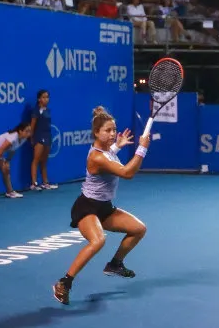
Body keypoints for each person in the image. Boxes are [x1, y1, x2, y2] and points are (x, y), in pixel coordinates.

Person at [53, 106, 152, 306]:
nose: (113, 134)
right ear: (96, 132)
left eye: (114, 130)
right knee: (98, 241)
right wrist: (142, 148)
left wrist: (118, 146)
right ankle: (64, 283)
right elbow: (127, 173)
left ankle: (115, 264)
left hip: (104, 207)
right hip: (87, 207)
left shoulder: (106, 151)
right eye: (107, 130)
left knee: (139, 229)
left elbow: (109, 156)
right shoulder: (97, 156)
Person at [0, 122, 33, 205]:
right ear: (20, 131)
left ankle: (10, 192)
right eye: (26, 131)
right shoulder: (12, 137)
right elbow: (1, 150)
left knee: (6, 169)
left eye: (30, 131)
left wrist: (7, 161)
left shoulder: (23, 139)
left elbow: (13, 149)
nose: (28, 134)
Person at [30, 90, 57, 190]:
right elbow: (32, 126)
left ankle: (45, 183)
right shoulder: (36, 110)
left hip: (48, 136)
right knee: (36, 160)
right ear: (39, 99)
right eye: (44, 97)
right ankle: (34, 184)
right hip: (39, 136)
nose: (46, 99)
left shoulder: (48, 110)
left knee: (44, 161)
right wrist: (31, 137)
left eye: (47, 97)